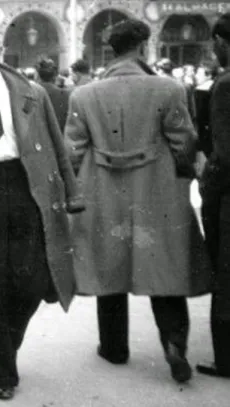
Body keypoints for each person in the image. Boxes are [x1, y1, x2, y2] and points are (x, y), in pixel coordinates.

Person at [65, 18, 211, 384]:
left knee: (109, 268)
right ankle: (174, 344)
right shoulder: (170, 89)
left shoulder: (83, 95)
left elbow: (72, 151)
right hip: (157, 191)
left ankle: (114, 348)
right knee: (165, 269)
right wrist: (183, 176)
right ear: (143, 48)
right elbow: (184, 141)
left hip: (103, 191)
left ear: (111, 51)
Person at [0, 23, 85, 400]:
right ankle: (3, 371)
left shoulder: (33, 93)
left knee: (31, 282)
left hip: (27, 189)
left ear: (0, 51)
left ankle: (6, 344)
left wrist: (72, 192)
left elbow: (57, 145)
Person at [198, 12, 230, 379]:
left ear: (222, 42)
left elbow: (223, 153)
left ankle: (226, 359)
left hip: (229, 198)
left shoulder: (224, 84)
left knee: (225, 277)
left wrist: (208, 188)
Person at [36, 57, 70, 132]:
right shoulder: (65, 95)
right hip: (58, 134)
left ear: (38, 75)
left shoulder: (30, 93)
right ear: (55, 76)